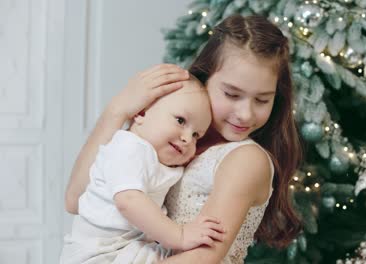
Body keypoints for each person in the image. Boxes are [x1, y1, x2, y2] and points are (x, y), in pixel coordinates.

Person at [65, 14, 303, 263]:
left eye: (262, 100)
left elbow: (203, 258)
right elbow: (77, 201)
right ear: (204, 77)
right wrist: (117, 110)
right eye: (232, 94)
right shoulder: (179, 142)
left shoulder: (245, 159)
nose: (245, 114)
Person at [60, 77, 225, 263]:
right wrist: (180, 235)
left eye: (196, 135)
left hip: (123, 248)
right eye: (180, 120)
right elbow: (128, 200)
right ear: (141, 113)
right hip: (99, 253)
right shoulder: (130, 147)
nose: (187, 138)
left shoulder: (158, 158)